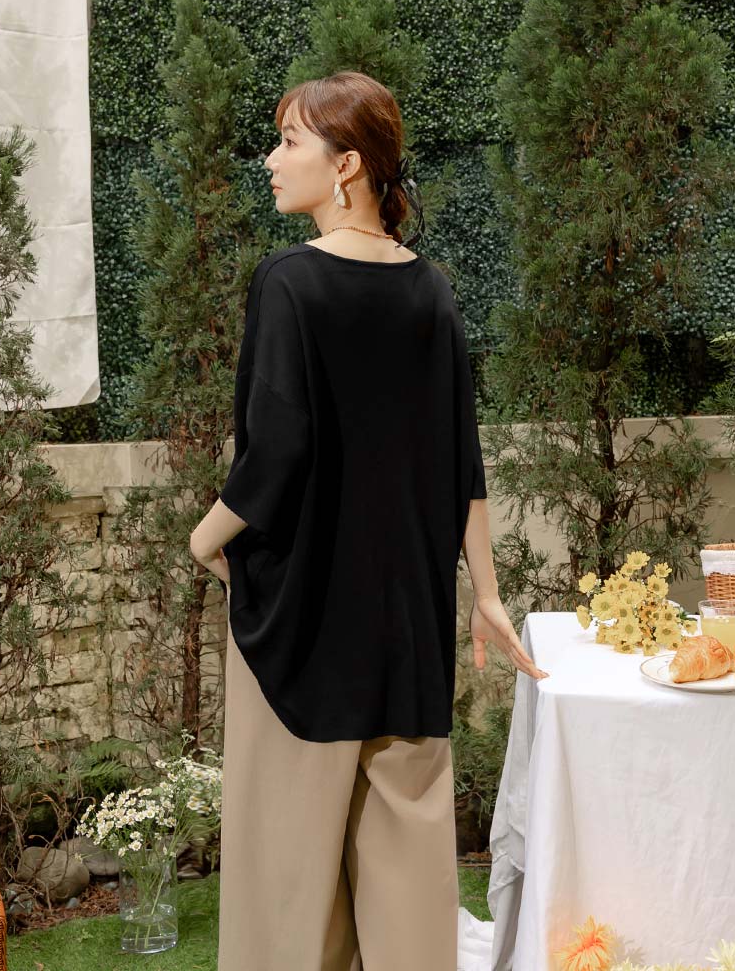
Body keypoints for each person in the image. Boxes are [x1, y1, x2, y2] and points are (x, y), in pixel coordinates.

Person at [189, 70, 548, 971]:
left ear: (346, 164)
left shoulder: (289, 283)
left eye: (289, 141)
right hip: (406, 634)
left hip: (302, 629)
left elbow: (275, 452)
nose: (271, 161)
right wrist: (485, 596)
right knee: (410, 902)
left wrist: (203, 538)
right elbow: (462, 458)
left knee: (288, 896)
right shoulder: (432, 291)